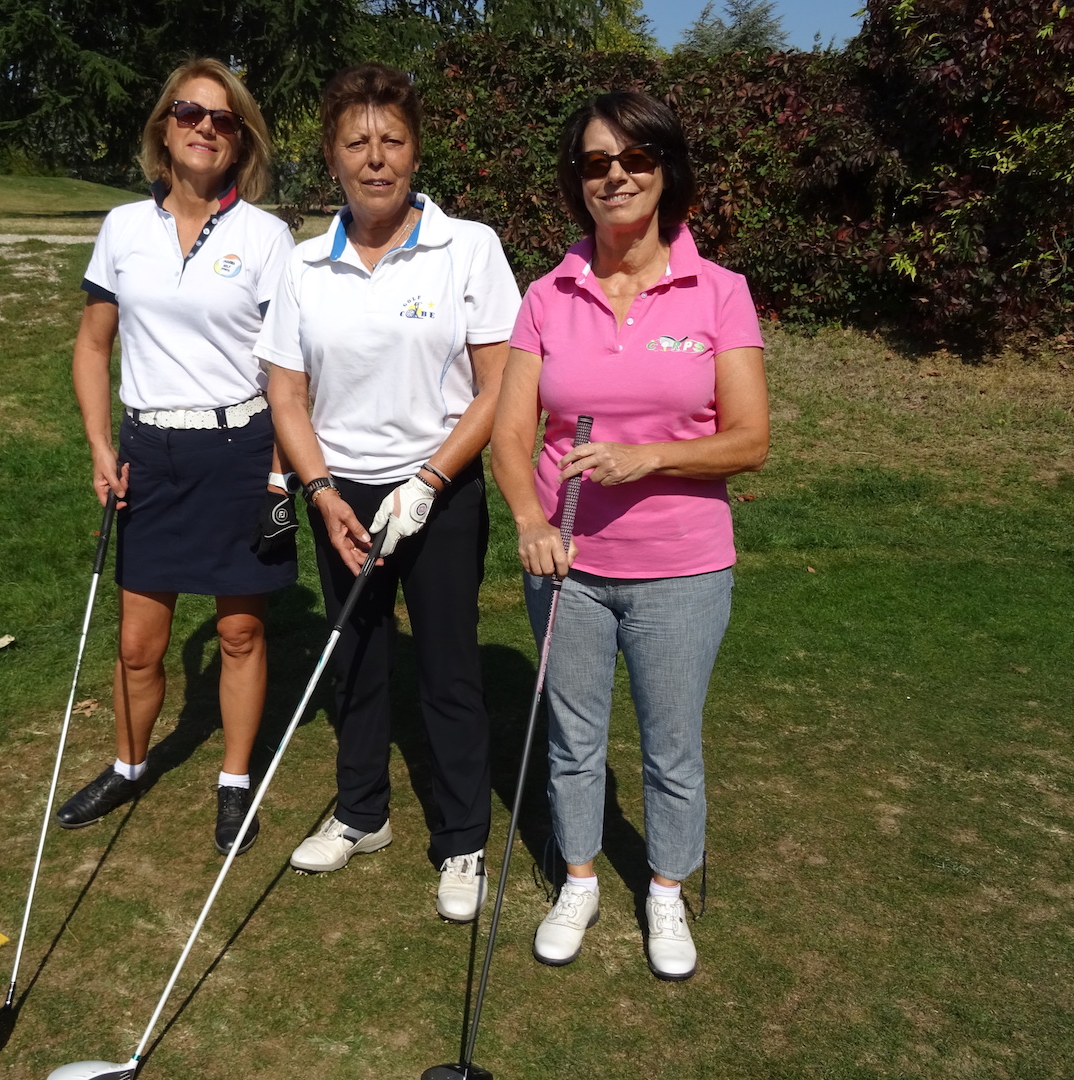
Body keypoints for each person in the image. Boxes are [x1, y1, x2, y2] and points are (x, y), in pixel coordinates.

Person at [491, 91, 769, 979]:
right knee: (574, 739)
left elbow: (751, 439)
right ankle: (577, 878)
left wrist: (642, 460)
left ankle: (664, 891)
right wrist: (530, 522)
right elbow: (509, 433)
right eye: (594, 163)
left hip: (682, 567)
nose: (614, 176)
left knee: (670, 743)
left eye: (634, 159)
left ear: (664, 169)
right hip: (567, 563)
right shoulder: (548, 292)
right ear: (578, 182)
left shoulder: (718, 291)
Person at [258, 62, 522, 922]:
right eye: (356, 142)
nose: (376, 158)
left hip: (438, 493)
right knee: (355, 656)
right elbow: (286, 394)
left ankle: (461, 842)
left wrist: (432, 480)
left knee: (448, 668)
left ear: (416, 150)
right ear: (330, 158)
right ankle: (361, 813)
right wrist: (322, 491)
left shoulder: (468, 247)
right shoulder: (303, 265)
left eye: (392, 140)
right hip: (340, 493)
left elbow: (498, 389)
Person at [60, 58, 299, 857]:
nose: (205, 127)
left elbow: (289, 369)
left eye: (223, 119)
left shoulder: (268, 238)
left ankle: (234, 782)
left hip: (240, 448)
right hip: (151, 450)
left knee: (238, 634)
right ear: (165, 127)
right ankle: (129, 764)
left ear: (240, 141)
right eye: (190, 112)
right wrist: (100, 445)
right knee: (138, 644)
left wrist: (279, 469)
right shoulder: (123, 228)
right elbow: (94, 348)